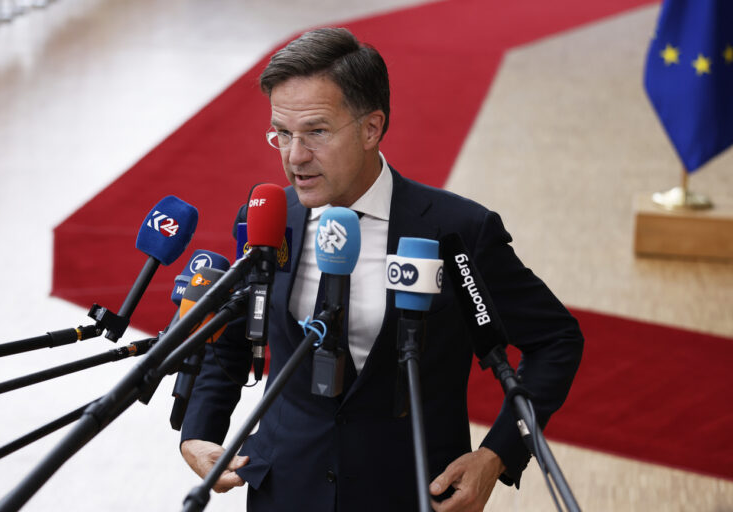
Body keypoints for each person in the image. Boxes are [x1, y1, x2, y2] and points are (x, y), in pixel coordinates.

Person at [181, 27, 583, 512]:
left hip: (412, 494)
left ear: (372, 128)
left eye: (316, 131)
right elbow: (230, 335)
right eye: (282, 134)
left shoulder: (458, 230)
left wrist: (496, 455)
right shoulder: (267, 221)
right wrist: (199, 432)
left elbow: (555, 341)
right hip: (285, 491)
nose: (294, 157)